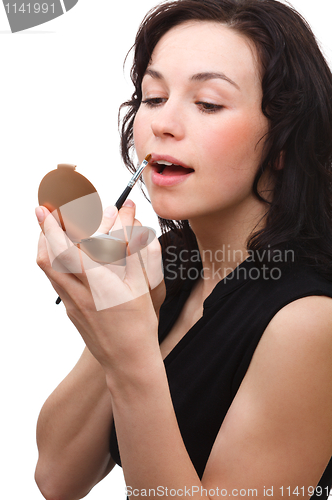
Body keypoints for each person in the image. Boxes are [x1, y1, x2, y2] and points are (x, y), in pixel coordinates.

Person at [34, 0, 332, 499]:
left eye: (208, 103)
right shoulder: (166, 267)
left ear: (283, 141)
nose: (162, 125)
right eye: (153, 97)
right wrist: (115, 318)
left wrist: (132, 359)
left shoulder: (310, 321)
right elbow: (56, 477)